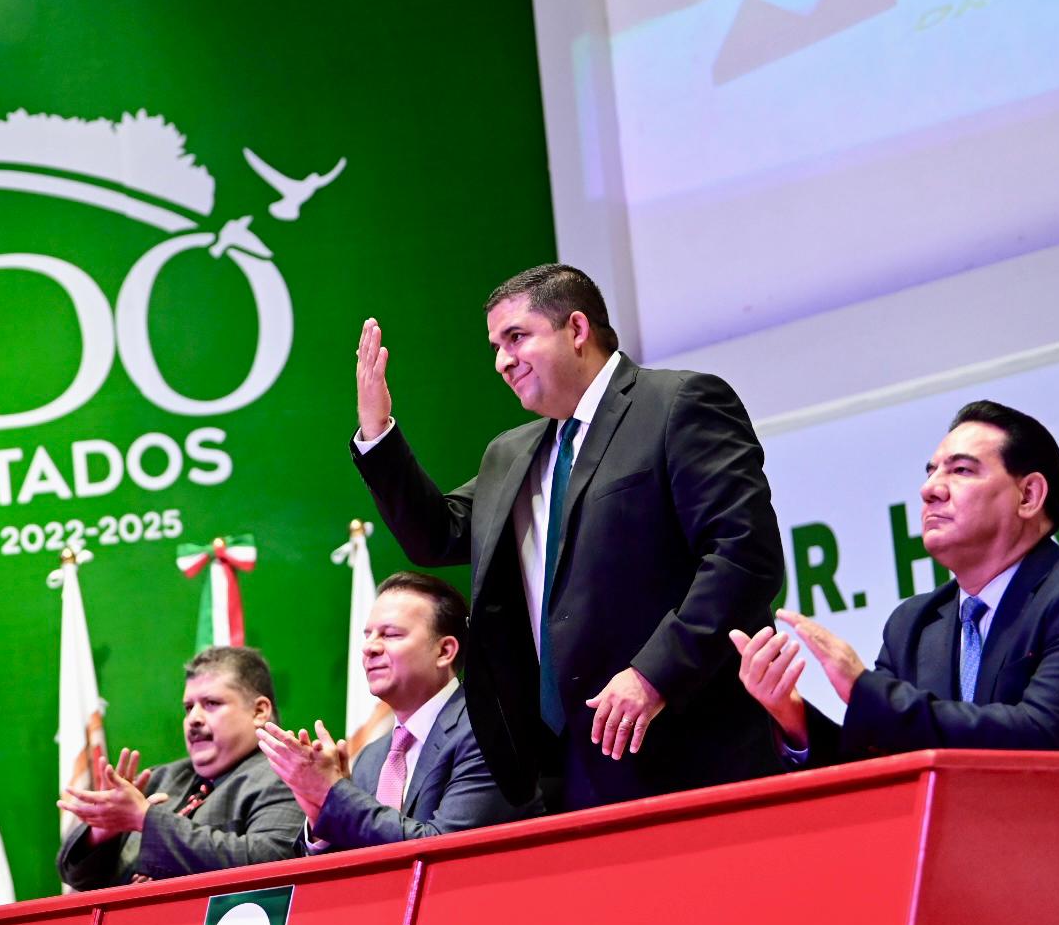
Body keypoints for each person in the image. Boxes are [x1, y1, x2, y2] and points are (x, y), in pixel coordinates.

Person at [351, 263, 784, 810]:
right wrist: (377, 434)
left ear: (576, 329)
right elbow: (437, 536)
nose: (502, 361)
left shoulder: (677, 404)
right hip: (560, 766)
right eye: (496, 347)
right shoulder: (511, 453)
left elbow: (743, 556)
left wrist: (654, 676)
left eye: (516, 337)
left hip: (685, 743)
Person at [732, 400, 1059, 763]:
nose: (930, 489)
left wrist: (865, 691)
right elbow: (879, 764)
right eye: (931, 472)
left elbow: (1047, 735)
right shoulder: (913, 626)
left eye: (961, 470)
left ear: (1028, 495)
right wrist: (793, 715)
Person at [257, 571, 528, 850]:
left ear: (444, 651)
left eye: (391, 634)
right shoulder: (371, 757)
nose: (369, 648)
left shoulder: (488, 732)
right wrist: (321, 815)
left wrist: (333, 795)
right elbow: (358, 861)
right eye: (368, 635)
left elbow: (444, 850)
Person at [56, 646, 304, 889]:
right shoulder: (159, 779)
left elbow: (272, 861)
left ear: (259, 711)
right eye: (188, 707)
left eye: (211, 703)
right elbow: (76, 877)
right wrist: (103, 833)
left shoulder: (287, 776)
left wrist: (146, 819)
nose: (193, 719)